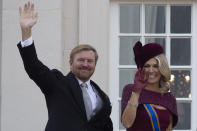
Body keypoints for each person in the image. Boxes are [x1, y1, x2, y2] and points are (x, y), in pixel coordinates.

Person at [17, 2, 113, 131]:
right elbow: (34, 67)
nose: (85, 64)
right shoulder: (58, 83)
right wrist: (26, 32)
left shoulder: (100, 95)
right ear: (71, 63)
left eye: (90, 61)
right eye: (81, 60)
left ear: (95, 64)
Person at [121, 41, 178, 131]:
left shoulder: (169, 98)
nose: (151, 70)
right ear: (141, 68)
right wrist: (136, 92)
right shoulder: (130, 89)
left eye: (156, 66)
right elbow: (127, 123)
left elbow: (169, 129)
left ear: (162, 68)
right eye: (147, 66)